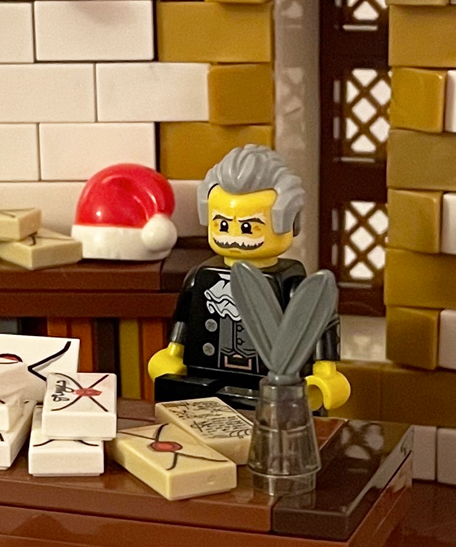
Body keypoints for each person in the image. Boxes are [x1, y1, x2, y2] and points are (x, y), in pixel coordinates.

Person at [146, 144, 351, 413]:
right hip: (205, 376)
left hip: (272, 384)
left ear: (287, 222)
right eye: (222, 225)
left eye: (247, 228)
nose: (233, 237)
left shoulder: (290, 281)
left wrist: (325, 370)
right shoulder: (201, 277)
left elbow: (320, 323)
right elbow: (184, 318)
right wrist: (173, 353)